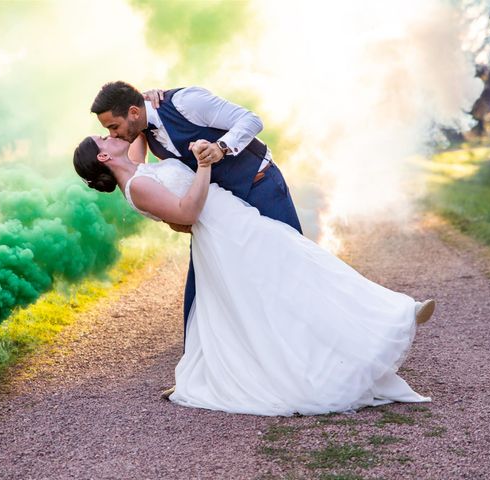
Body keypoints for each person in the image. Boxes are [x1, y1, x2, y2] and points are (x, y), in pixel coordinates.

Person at [73, 131, 436, 416]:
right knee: (299, 270)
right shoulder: (136, 187)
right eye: (103, 138)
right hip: (226, 235)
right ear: (103, 156)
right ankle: (394, 314)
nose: (110, 134)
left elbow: (137, 134)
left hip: (236, 220)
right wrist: (203, 166)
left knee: (301, 268)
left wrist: (147, 102)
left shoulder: (135, 169)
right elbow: (186, 214)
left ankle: (380, 322)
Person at [90, 81, 303, 399]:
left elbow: (251, 120)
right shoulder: (143, 132)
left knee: (291, 273)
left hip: (259, 187)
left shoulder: (186, 101)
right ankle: (198, 375)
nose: (114, 134)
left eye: (114, 126)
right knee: (202, 289)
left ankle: (302, 363)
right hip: (219, 216)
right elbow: (141, 173)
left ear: (133, 112)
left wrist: (221, 149)